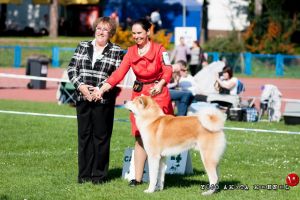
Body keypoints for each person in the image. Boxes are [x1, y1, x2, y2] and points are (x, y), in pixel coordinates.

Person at [95, 18, 174, 186]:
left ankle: (159, 179)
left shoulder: (160, 50)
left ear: (148, 32)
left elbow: (168, 69)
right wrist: (103, 88)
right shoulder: (131, 52)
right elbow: (118, 74)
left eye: (139, 33)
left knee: (160, 137)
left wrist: (160, 84)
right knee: (140, 136)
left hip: (158, 94)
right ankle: (136, 179)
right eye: (134, 33)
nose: (136, 36)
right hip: (139, 96)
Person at [67, 17, 124, 184]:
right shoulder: (83, 45)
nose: (101, 32)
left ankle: (98, 175)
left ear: (111, 33)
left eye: (105, 29)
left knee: (101, 137)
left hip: (103, 99)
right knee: (84, 136)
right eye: (99, 28)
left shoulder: (117, 50)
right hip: (82, 97)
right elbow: (72, 68)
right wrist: (81, 86)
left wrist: (100, 90)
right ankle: (83, 175)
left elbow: (117, 75)